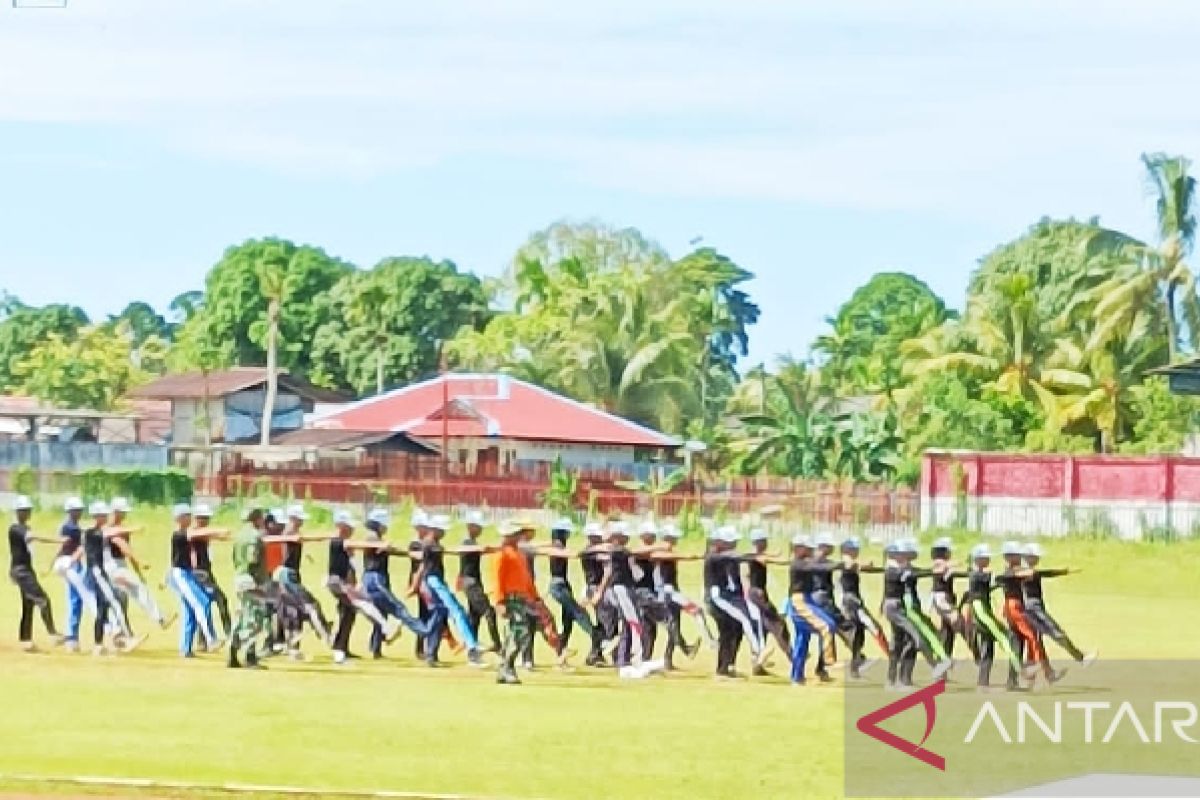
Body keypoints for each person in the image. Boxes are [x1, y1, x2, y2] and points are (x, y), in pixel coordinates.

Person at [324, 510, 400, 665]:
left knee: (348, 616)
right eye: (350, 526)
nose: (352, 529)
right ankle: (387, 628)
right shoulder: (338, 540)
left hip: (345, 583)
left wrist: (357, 583)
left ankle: (340, 650)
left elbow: (353, 563)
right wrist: (378, 544)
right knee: (361, 604)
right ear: (342, 526)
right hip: (336, 582)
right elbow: (355, 545)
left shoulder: (347, 543)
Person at [359, 509, 436, 659]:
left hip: (379, 577)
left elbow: (392, 550)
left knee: (382, 613)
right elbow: (384, 547)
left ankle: (376, 648)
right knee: (399, 608)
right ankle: (424, 630)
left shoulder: (379, 539)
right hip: (375, 578)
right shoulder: (372, 537)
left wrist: (411, 554)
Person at [414, 514, 485, 667]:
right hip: (434, 582)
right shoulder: (431, 544)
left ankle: (431, 655)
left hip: (435, 581)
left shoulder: (431, 543)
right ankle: (472, 645)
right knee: (457, 611)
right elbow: (451, 550)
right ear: (435, 529)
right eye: (442, 530)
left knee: (439, 617)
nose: (444, 533)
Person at [272, 505, 334, 658]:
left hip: (290, 574)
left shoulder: (291, 532)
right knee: (311, 606)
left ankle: (292, 648)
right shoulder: (290, 532)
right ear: (294, 518)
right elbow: (298, 539)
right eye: (300, 519)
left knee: (294, 612)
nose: (302, 522)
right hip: (287, 575)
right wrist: (327, 536)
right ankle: (326, 635)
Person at [997, 541, 1061, 689]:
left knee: (1017, 644)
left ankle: (1013, 680)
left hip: (1014, 608)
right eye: (1017, 555)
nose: (1020, 558)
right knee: (1032, 637)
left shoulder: (1012, 572)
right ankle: (1035, 669)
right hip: (1015, 608)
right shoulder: (1011, 571)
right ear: (1009, 557)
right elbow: (1027, 574)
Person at [1021, 543, 1095, 668]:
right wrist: (1065, 571)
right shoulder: (1024, 572)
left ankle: (1033, 672)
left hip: (1033, 607)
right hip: (1033, 608)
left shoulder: (1028, 572)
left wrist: (1064, 571)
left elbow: (1044, 573)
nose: (1038, 559)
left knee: (1037, 640)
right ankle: (1080, 658)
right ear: (1027, 557)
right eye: (1035, 556)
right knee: (1056, 633)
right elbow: (1046, 573)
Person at [104, 497, 171, 632]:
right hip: (112, 567)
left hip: (119, 566)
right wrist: (140, 562)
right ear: (115, 512)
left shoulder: (122, 530)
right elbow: (122, 546)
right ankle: (160, 618)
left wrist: (139, 572)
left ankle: (121, 633)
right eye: (122, 512)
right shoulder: (110, 529)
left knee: (120, 600)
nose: (125, 514)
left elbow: (128, 550)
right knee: (137, 590)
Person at [651, 523, 712, 669]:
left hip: (671, 592)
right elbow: (662, 556)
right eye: (671, 538)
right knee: (695, 612)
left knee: (675, 625)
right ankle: (710, 641)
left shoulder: (667, 553)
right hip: (666, 593)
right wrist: (692, 556)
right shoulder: (659, 553)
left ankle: (669, 659)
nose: (673, 541)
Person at [82, 501, 138, 655]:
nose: (106, 517)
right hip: (96, 573)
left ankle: (98, 645)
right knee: (115, 602)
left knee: (102, 609)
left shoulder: (99, 532)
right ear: (97, 517)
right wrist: (135, 529)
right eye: (103, 515)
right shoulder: (92, 532)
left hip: (100, 573)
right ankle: (128, 638)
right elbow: (110, 533)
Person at [962, 544, 1020, 690]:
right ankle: (1021, 669)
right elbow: (994, 578)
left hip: (982, 610)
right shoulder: (977, 574)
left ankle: (983, 682)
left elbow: (984, 587)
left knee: (988, 647)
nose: (988, 559)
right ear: (978, 559)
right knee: (1004, 637)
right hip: (981, 612)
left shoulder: (977, 575)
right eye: (985, 557)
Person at [784, 536, 841, 684]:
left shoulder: (806, 562)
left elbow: (822, 564)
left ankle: (797, 677)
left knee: (802, 640)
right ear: (798, 548)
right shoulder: (798, 564)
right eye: (808, 548)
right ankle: (829, 660)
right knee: (827, 625)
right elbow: (818, 567)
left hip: (807, 600)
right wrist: (840, 565)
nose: (811, 550)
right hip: (799, 603)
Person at [166, 503, 220, 658]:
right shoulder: (178, 534)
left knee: (190, 611)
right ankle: (211, 639)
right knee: (202, 602)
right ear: (179, 518)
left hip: (188, 573)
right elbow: (196, 535)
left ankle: (185, 648)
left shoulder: (187, 533)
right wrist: (218, 531)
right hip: (181, 575)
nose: (190, 518)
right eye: (187, 516)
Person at [8, 495, 61, 650]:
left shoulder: (25, 528)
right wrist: (58, 540)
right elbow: (34, 537)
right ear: (18, 512)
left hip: (24, 570)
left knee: (28, 604)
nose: (27, 513)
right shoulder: (15, 528)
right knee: (43, 599)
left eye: (28, 510)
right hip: (22, 571)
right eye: (24, 510)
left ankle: (26, 641)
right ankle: (53, 634)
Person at [492, 521, 542, 685]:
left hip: (522, 598)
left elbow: (526, 579)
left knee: (517, 633)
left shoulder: (519, 554)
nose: (518, 536)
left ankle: (504, 667)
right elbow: (497, 579)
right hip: (510, 598)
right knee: (519, 631)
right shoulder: (502, 554)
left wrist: (535, 597)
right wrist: (499, 601)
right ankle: (508, 667)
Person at [51, 496, 96, 652]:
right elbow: (71, 546)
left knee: (75, 600)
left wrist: (52, 562)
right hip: (71, 564)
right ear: (69, 511)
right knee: (76, 600)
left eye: (79, 510)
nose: (78, 513)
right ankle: (71, 638)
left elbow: (62, 547)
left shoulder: (70, 527)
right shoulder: (70, 528)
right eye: (76, 510)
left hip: (72, 564)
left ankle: (72, 638)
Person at [838, 537, 887, 679]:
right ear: (847, 550)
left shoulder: (852, 562)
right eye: (854, 548)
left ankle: (856, 667)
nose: (857, 550)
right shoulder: (846, 561)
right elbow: (855, 564)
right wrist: (867, 563)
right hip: (849, 602)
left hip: (855, 601)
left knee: (859, 634)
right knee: (873, 629)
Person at [229, 506, 271, 669]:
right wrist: (258, 583)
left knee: (241, 616)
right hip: (251, 579)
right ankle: (249, 655)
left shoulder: (239, 535)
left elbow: (234, 558)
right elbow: (252, 559)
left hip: (239, 577)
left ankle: (232, 651)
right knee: (255, 619)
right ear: (257, 519)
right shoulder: (255, 537)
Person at [743, 528, 790, 667]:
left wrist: (776, 554)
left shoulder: (754, 554)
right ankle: (791, 653)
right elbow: (765, 559)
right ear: (758, 542)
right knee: (777, 622)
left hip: (759, 593)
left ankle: (757, 660)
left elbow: (766, 556)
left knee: (764, 626)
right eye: (763, 541)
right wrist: (782, 559)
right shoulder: (754, 556)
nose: (765, 543)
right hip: (757, 594)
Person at [458, 510, 501, 653]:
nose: (481, 530)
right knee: (489, 612)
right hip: (470, 583)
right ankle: (497, 644)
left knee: (474, 617)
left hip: (473, 582)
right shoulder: (467, 543)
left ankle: (472, 648)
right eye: (478, 526)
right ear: (470, 527)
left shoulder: (472, 543)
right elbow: (477, 549)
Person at [191, 503, 232, 639]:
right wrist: (220, 532)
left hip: (206, 572)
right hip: (199, 573)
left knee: (206, 603)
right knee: (219, 600)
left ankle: (204, 638)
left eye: (207, 518)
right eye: (203, 518)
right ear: (196, 518)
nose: (206, 521)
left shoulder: (203, 532)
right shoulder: (194, 532)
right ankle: (228, 633)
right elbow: (206, 535)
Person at [928, 537, 969, 661]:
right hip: (942, 599)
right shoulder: (938, 562)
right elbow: (940, 567)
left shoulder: (944, 564)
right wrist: (955, 563)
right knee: (960, 624)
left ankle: (943, 660)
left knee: (948, 632)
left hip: (947, 597)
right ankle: (978, 654)